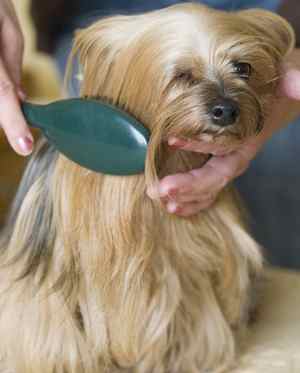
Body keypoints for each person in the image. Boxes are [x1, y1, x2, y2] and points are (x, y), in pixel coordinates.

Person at [2, 0, 300, 267]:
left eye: (241, 69)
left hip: (262, 9)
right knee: (114, 169)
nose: (224, 104)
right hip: (98, 12)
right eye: (185, 76)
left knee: (280, 155)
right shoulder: (106, 41)